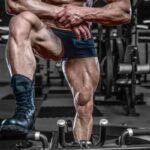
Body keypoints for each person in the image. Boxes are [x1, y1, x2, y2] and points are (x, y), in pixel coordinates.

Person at [1, 0, 131, 146]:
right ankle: (25, 112)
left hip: (81, 37)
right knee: (19, 21)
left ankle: (82, 144)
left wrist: (84, 13)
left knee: (85, 104)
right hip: (46, 32)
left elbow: (124, 11)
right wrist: (63, 13)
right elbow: (14, 3)